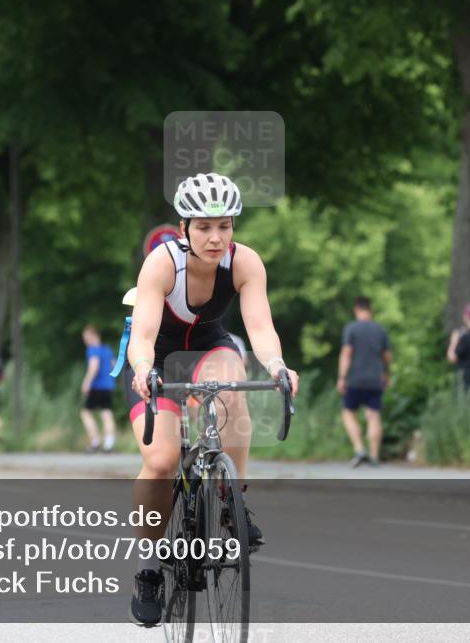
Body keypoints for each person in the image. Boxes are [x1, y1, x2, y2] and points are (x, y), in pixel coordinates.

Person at [125, 172, 299, 627]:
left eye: (224, 225)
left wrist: (278, 365)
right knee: (161, 462)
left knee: (233, 392)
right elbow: (141, 335)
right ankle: (147, 570)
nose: (216, 237)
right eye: (203, 227)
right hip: (159, 358)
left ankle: (230, 501)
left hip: (209, 347)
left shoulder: (245, 263)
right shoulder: (161, 265)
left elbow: (260, 328)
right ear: (183, 227)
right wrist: (144, 370)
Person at [337, 296, 392, 467]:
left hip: (355, 379)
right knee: (373, 415)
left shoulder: (351, 329)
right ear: (371, 309)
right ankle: (374, 457)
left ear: (356, 309)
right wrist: (386, 374)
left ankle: (360, 449)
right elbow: (387, 356)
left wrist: (342, 377)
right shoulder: (380, 329)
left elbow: (346, 353)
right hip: (375, 378)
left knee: (347, 412)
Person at [80, 325, 117, 453]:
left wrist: (86, 382)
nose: (85, 341)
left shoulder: (93, 350)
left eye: (87, 337)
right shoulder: (107, 350)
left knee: (85, 413)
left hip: (97, 386)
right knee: (106, 413)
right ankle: (109, 443)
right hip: (108, 386)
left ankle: (95, 441)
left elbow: (93, 367)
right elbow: (114, 364)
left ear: (95, 336)